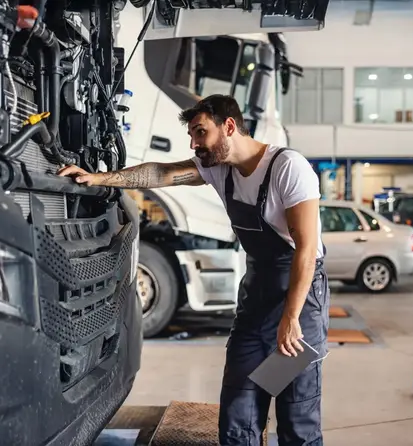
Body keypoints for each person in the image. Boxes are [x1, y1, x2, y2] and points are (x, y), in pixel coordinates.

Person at [58, 94, 329, 446]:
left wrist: (291, 318)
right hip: (258, 295)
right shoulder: (219, 169)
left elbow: (306, 251)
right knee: (239, 412)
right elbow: (162, 173)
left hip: (300, 300)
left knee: (296, 416)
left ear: (229, 126)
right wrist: (100, 179)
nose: (194, 143)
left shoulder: (287, 168)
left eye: (201, 132)